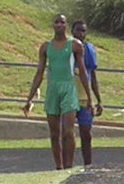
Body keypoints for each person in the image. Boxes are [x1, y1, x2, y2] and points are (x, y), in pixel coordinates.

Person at [23, 14, 94, 170]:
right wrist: (29, 99)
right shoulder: (45, 47)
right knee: (55, 133)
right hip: (52, 89)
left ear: (66, 25)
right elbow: (39, 72)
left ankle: (68, 165)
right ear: (53, 25)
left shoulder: (74, 45)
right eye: (57, 22)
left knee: (68, 131)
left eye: (62, 22)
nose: (60, 25)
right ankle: (59, 166)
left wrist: (90, 98)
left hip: (68, 88)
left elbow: (83, 72)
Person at [71, 20, 103, 166]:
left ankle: (88, 165)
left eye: (83, 31)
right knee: (67, 134)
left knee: (86, 133)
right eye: (78, 30)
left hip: (85, 97)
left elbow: (93, 76)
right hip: (69, 96)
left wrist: (98, 99)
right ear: (72, 31)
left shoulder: (89, 50)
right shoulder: (66, 48)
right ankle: (67, 166)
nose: (81, 34)